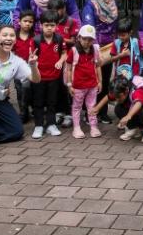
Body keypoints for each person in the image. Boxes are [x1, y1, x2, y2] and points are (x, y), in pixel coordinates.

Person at [82, 0, 118, 124]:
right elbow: (88, 27)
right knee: (91, 81)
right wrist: (94, 47)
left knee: (104, 79)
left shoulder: (114, 4)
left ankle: (102, 112)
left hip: (109, 49)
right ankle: (88, 112)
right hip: (93, 47)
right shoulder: (90, 4)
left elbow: (116, 26)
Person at [30, 11, 66, 139]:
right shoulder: (36, 40)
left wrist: (60, 61)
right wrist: (33, 60)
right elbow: (32, 56)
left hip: (54, 76)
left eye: (52, 25)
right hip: (39, 77)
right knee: (38, 101)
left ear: (56, 25)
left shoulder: (59, 39)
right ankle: (38, 125)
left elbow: (64, 53)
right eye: (46, 25)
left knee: (52, 102)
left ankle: (51, 124)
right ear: (41, 25)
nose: (49, 28)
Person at [91, 76, 143, 144]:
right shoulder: (119, 91)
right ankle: (133, 128)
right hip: (136, 112)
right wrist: (97, 108)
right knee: (118, 109)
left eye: (118, 97)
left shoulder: (136, 91)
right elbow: (108, 97)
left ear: (126, 91)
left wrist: (128, 116)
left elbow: (138, 104)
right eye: (115, 97)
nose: (116, 99)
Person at [64, 24, 103, 139]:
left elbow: (97, 66)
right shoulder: (74, 51)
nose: (87, 41)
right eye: (84, 38)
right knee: (77, 106)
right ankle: (76, 127)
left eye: (90, 39)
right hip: (78, 85)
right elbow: (69, 69)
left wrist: (99, 81)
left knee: (92, 106)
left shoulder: (95, 49)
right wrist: (69, 84)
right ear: (79, 38)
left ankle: (94, 126)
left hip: (92, 84)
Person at [13, 10, 37, 122]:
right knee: (19, 91)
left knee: (30, 90)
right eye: (25, 21)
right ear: (19, 22)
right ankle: (23, 112)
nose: (28, 24)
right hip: (18, 69)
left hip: (31, 68)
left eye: (30, 22)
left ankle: (34, 110)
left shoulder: (35, 37)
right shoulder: (13, 37)